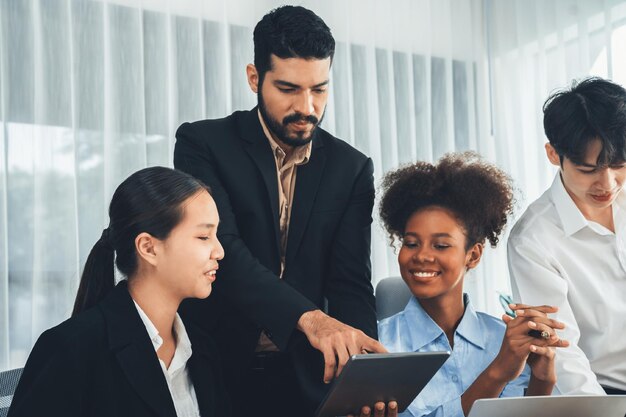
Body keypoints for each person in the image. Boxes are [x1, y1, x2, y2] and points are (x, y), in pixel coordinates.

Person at [174, 5, 388, 417]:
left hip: (307, 380)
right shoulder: (203, 145)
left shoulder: (352, 168)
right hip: (214, 370)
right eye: (289, 89)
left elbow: (350, 283)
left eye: (319, 89)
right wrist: (310, 318)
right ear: (255, 78)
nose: (307, 107)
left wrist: (367, 377)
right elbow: (226, 252)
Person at [8, 167, 230, 417]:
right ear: (148, 247)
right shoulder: (70, 349)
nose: (219, 251)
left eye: (216, 235)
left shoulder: (202, 350)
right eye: (203, 236)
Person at [377, 153, 568, 417]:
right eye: (411, 243)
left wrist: (543, 379)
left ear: (474, 255)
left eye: (441, 245)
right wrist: (497, 373)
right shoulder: (377, 346)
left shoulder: (505, 339)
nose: (421, 255)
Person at [508, 77, 626, 395]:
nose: (608, 183)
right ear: (552, 154)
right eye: (588, 170)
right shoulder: (532, 240)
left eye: (619, 165)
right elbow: (565, 358)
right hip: (609, 395)